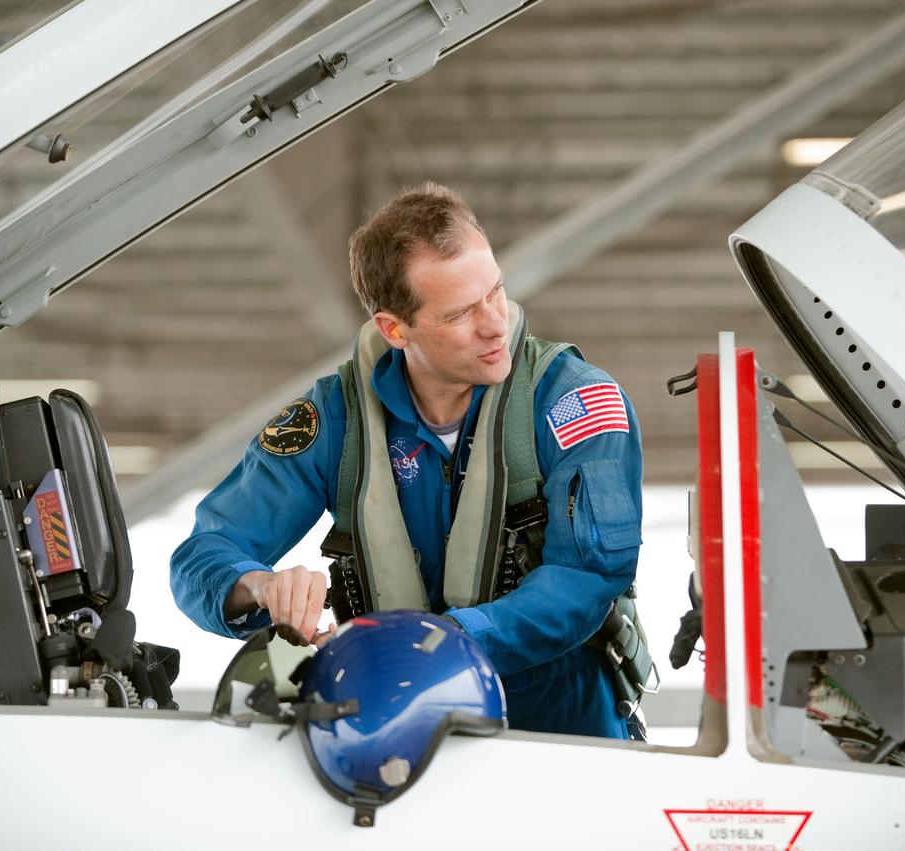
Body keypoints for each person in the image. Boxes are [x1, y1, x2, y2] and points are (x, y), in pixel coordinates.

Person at [171, 182, 645, 739]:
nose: (495, 323)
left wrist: (442, 643)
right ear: (394, 329)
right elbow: (200, 556)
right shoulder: (332, 419)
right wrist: (258, 586)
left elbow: (588, 575)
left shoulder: (576, 401)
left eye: (495, 291)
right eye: (461, 313)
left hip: (563, 736)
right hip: (394, 741)